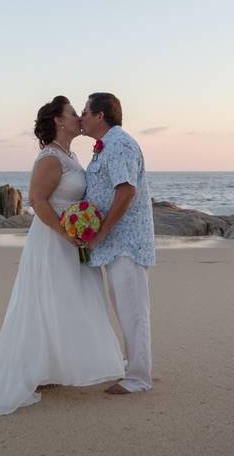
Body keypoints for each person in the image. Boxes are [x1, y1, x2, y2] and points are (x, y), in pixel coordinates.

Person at [0, 96, 125, 415]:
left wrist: (84, 225)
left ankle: (53, 368)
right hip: (53, 239)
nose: (79, 117)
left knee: (67, 301)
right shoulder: (50, 157)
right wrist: (66, 232)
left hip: (72, 239)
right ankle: (32, 370)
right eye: (73, 113)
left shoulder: (71, 155)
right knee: (46, 300)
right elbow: (38, 201)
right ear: (59, 121)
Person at [80, 92, 155, 394]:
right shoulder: (104, 147)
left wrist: (100, 233)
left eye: (85, 111)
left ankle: (139, 377)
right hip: (113, 244)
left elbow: (126, 192)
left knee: (133, 310)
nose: (81, 117)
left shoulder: (121, 144)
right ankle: (133, 365)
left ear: (100, 115)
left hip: (126, 242)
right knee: (123, 308)